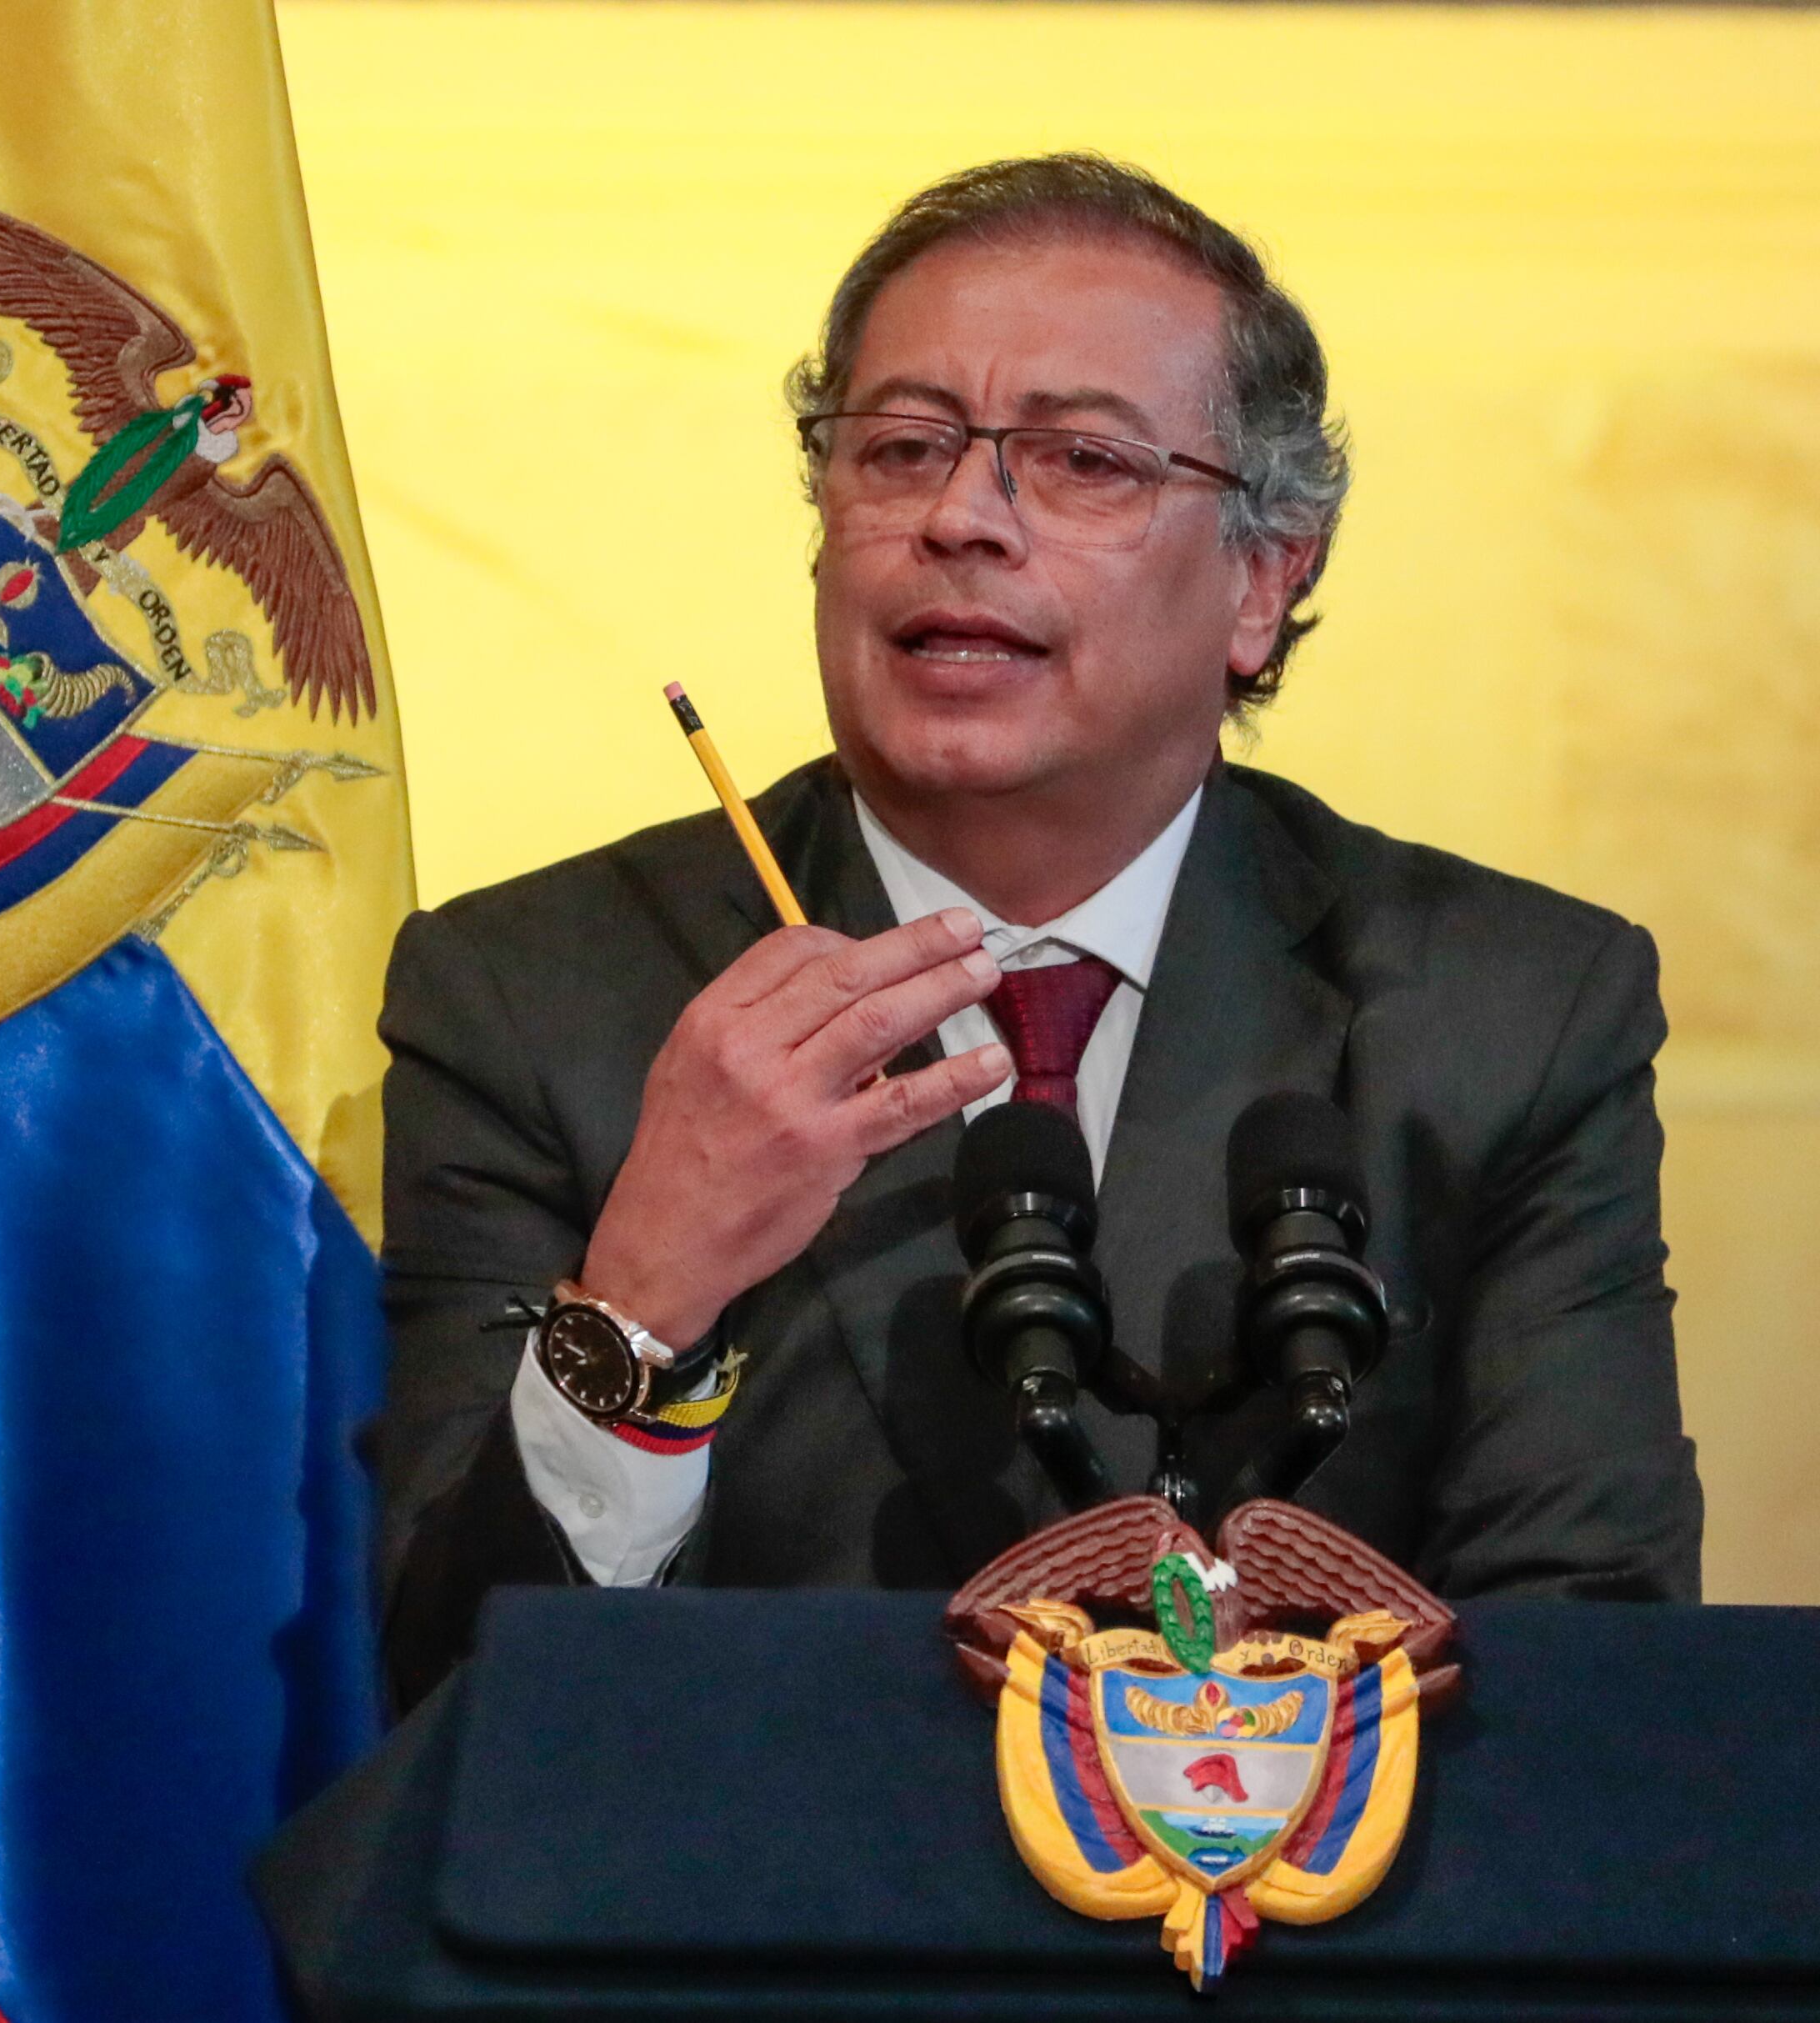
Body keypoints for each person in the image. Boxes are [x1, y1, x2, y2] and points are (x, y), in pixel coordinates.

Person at [372, 154, 1701, 1709]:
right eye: (904, 446)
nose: (960, 519)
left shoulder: (1511, 1013)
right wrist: (645, 1299)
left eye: (1081, 461)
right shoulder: (536, 996)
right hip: (751, 1927)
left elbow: (1596, 1665)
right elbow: (454, 1687)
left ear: (1266, 580)